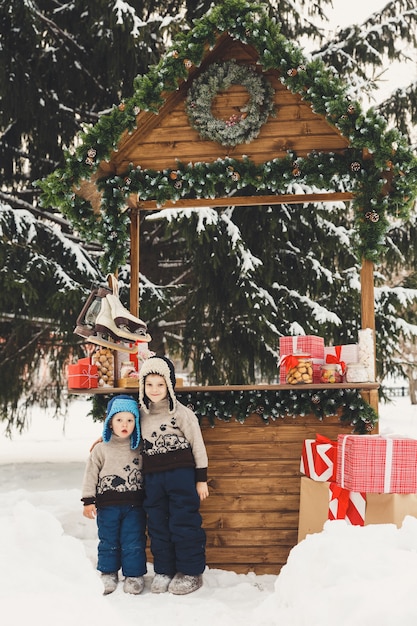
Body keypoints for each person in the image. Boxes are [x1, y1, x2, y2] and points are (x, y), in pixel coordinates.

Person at [138, 355, 209, 595]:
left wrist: (201, 479)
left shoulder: (182, 413)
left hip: (181, 476)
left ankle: (191, 572)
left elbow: (197, 444)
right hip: (153, 479)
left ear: (169, 384)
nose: (155, 390)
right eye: (149, 384)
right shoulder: (140, 414)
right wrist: (104, 439)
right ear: (142, 386)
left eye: (160, 384)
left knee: (184, 522)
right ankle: (164, 569)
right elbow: (124, 433)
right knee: (157, 524)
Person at [81, 394, 147, 596]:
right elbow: (91, 473)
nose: (124, 424)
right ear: (110, 422)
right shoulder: (101, 449)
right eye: (119, 420)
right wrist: (88, 500)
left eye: (130, 420)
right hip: (107, 505)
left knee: (133, 539)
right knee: (108, 539)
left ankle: (134, 575)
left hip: (134, 505)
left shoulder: (140, 447)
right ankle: (108, 572)